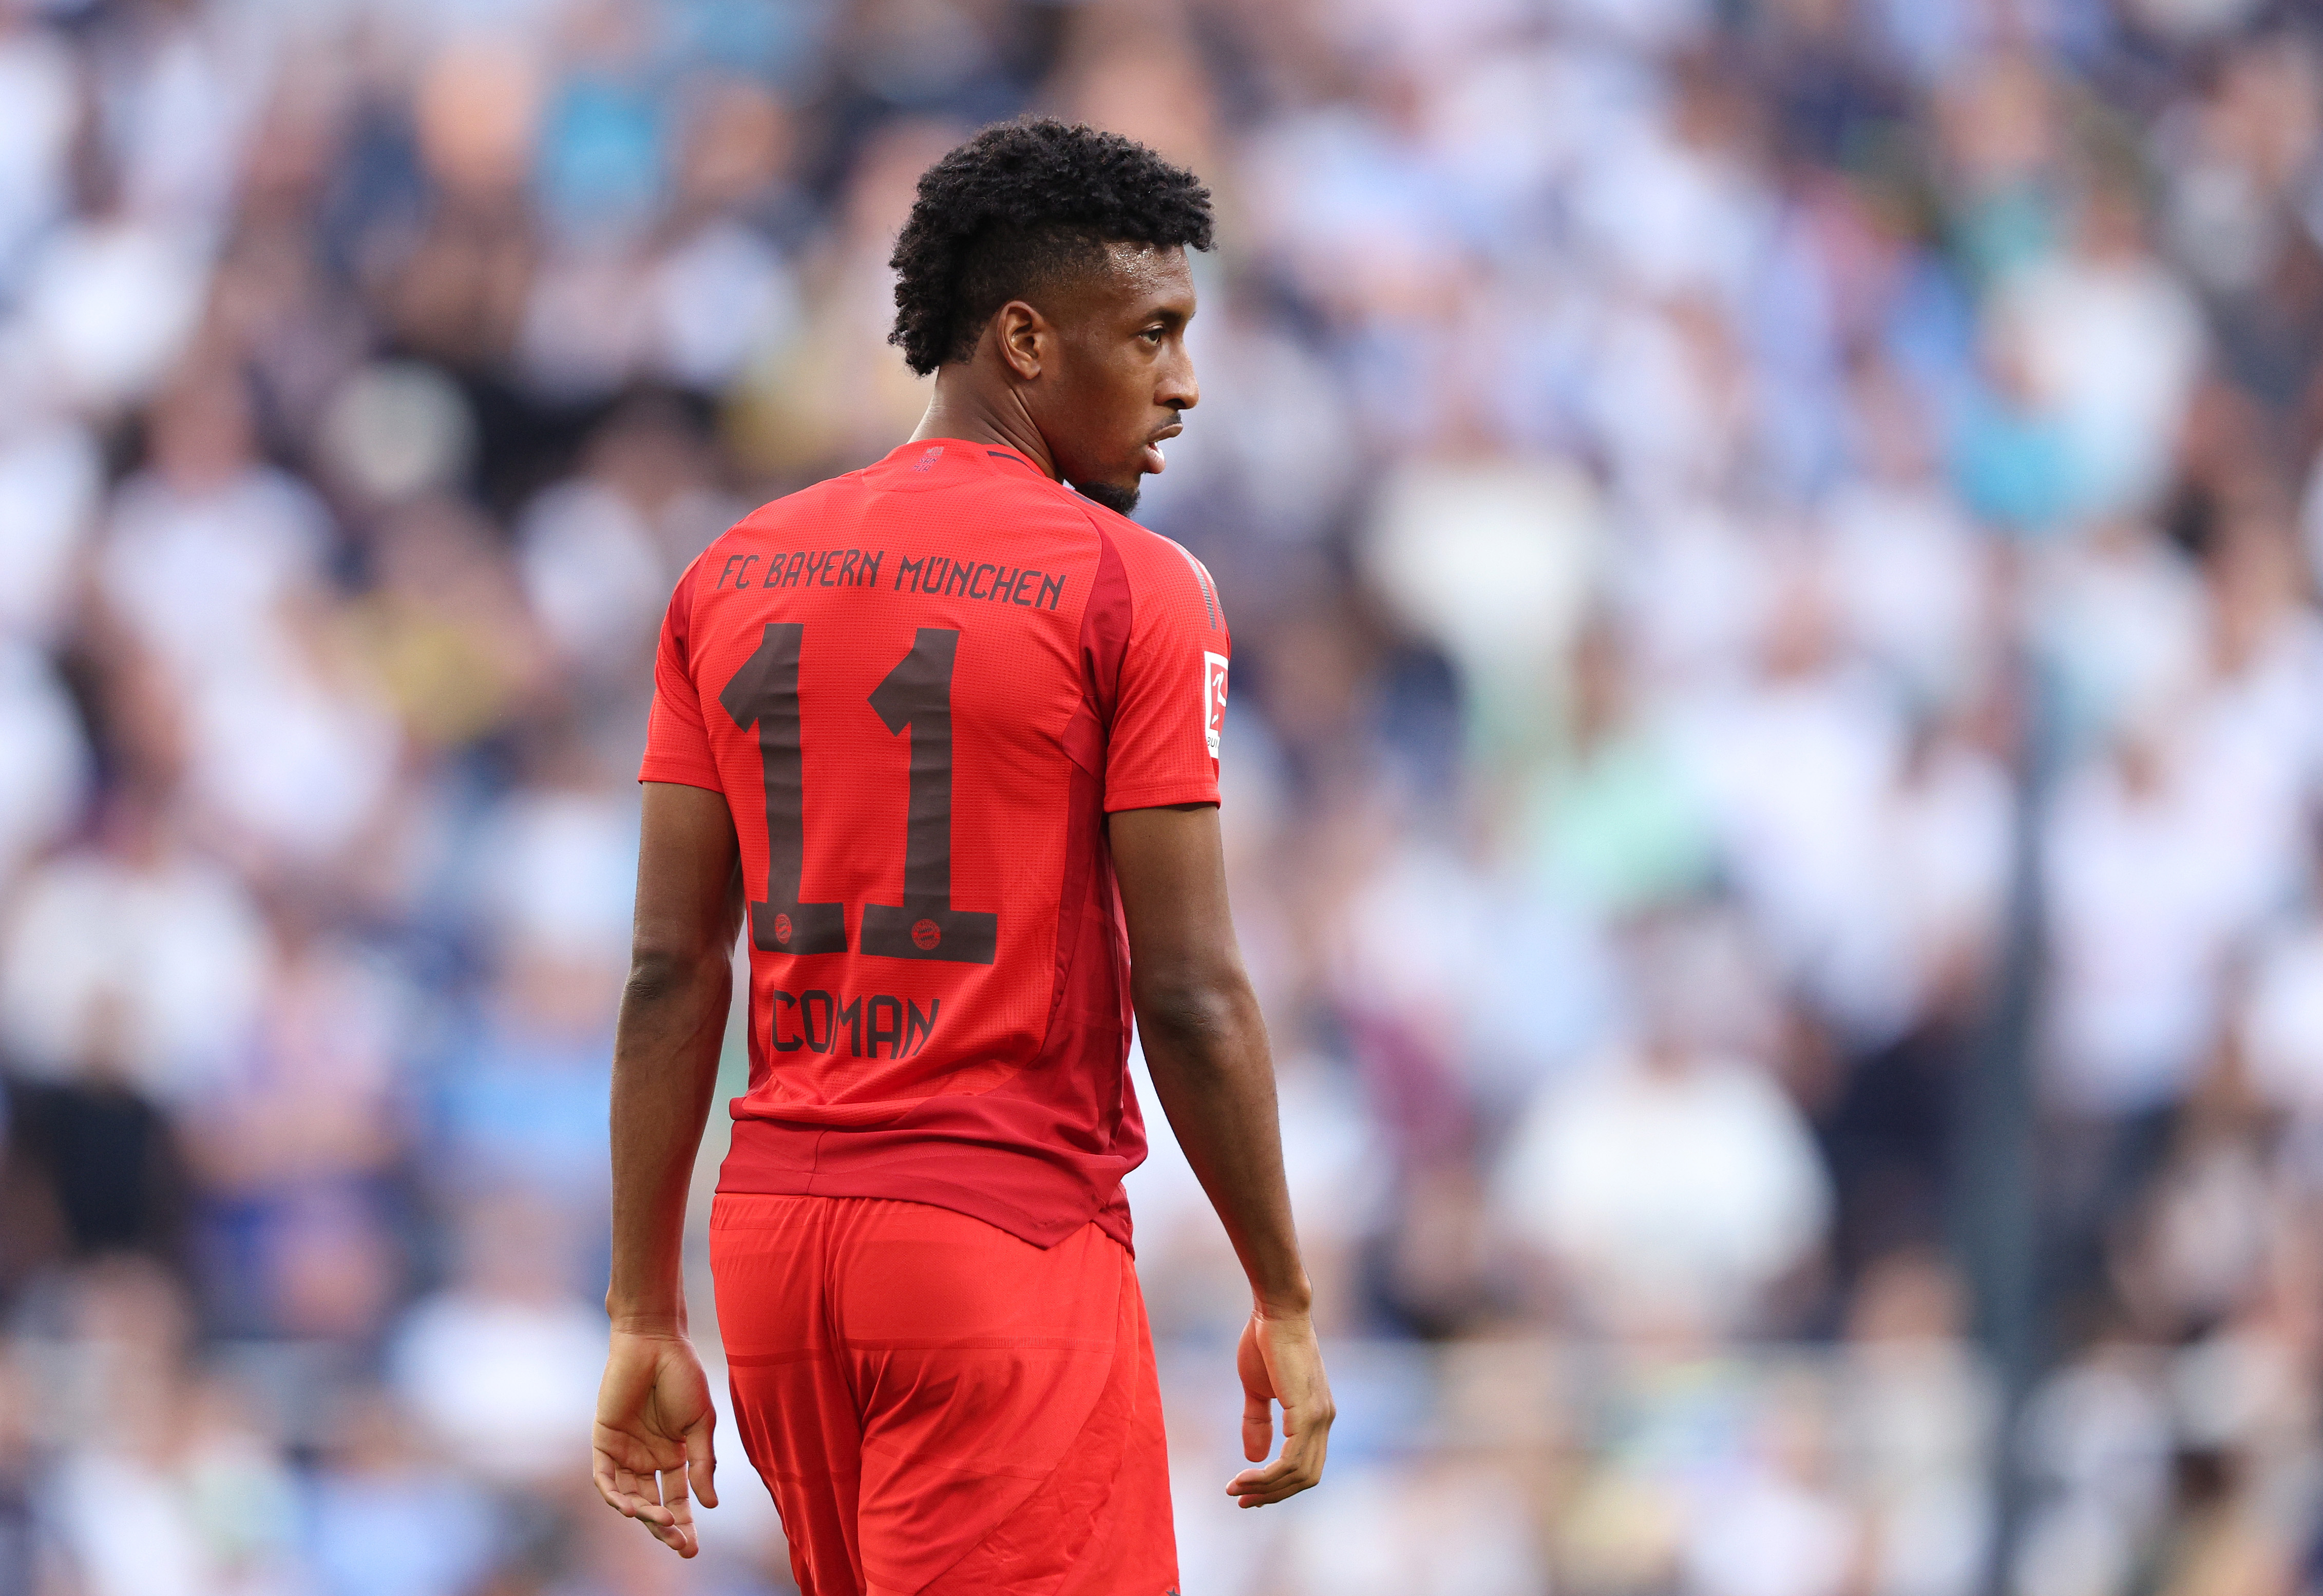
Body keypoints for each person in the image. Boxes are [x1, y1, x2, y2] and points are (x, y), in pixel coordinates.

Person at [588, 118, 1333, 1594]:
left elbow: (673, 968)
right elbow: (1188, 989)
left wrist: (638, 1310)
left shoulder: (728, 571)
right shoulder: (1132, 584)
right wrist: (1284, 1292)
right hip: (998, 1240)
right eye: (1154, 332)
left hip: (778, 1248)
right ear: (1022, 338)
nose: (1185, 381)